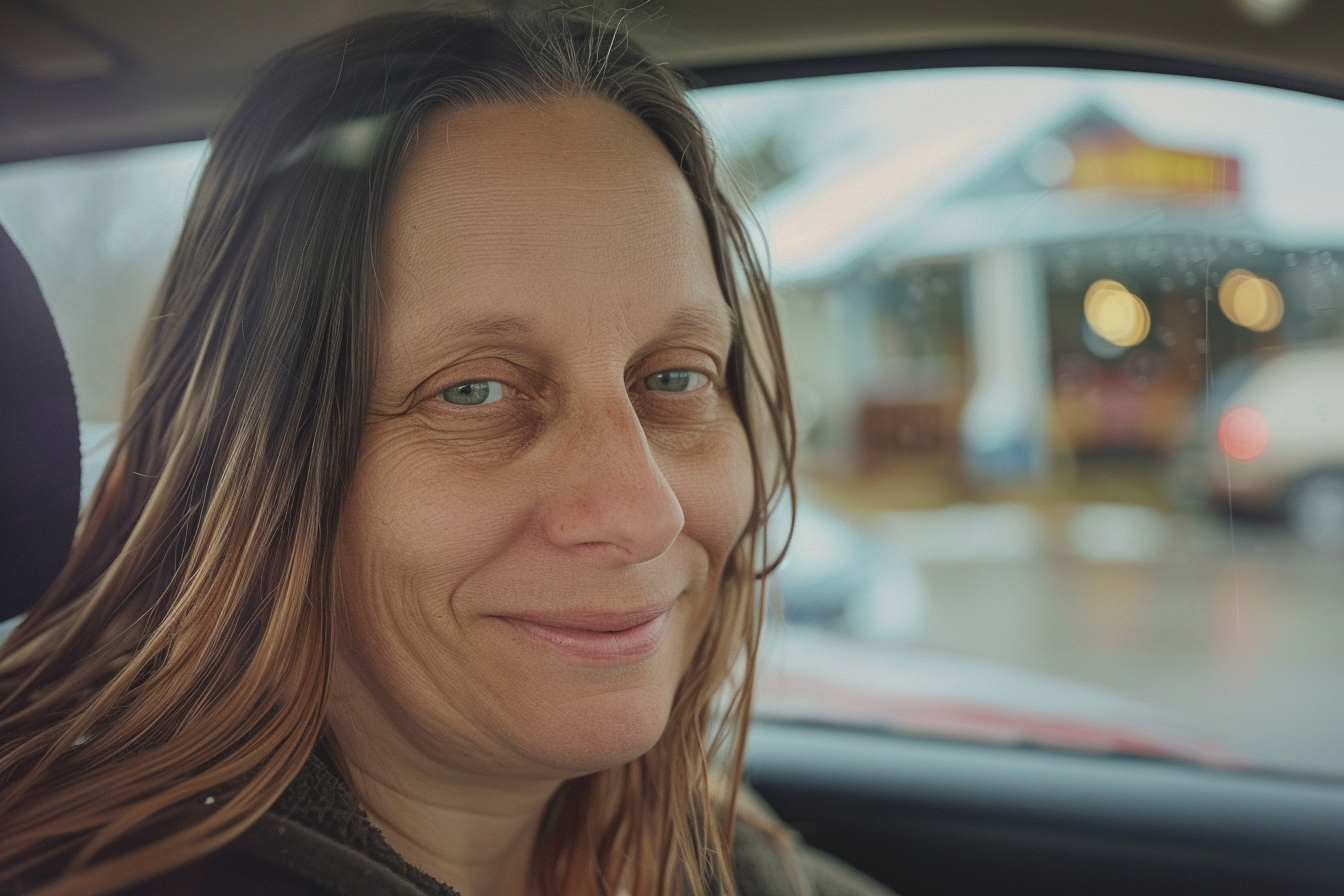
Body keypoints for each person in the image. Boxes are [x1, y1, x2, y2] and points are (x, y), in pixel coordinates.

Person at [0, 7, 895, 896]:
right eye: (475, 392)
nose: (643, 512)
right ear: (260, 466)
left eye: (674, 380)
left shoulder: (730, 862)